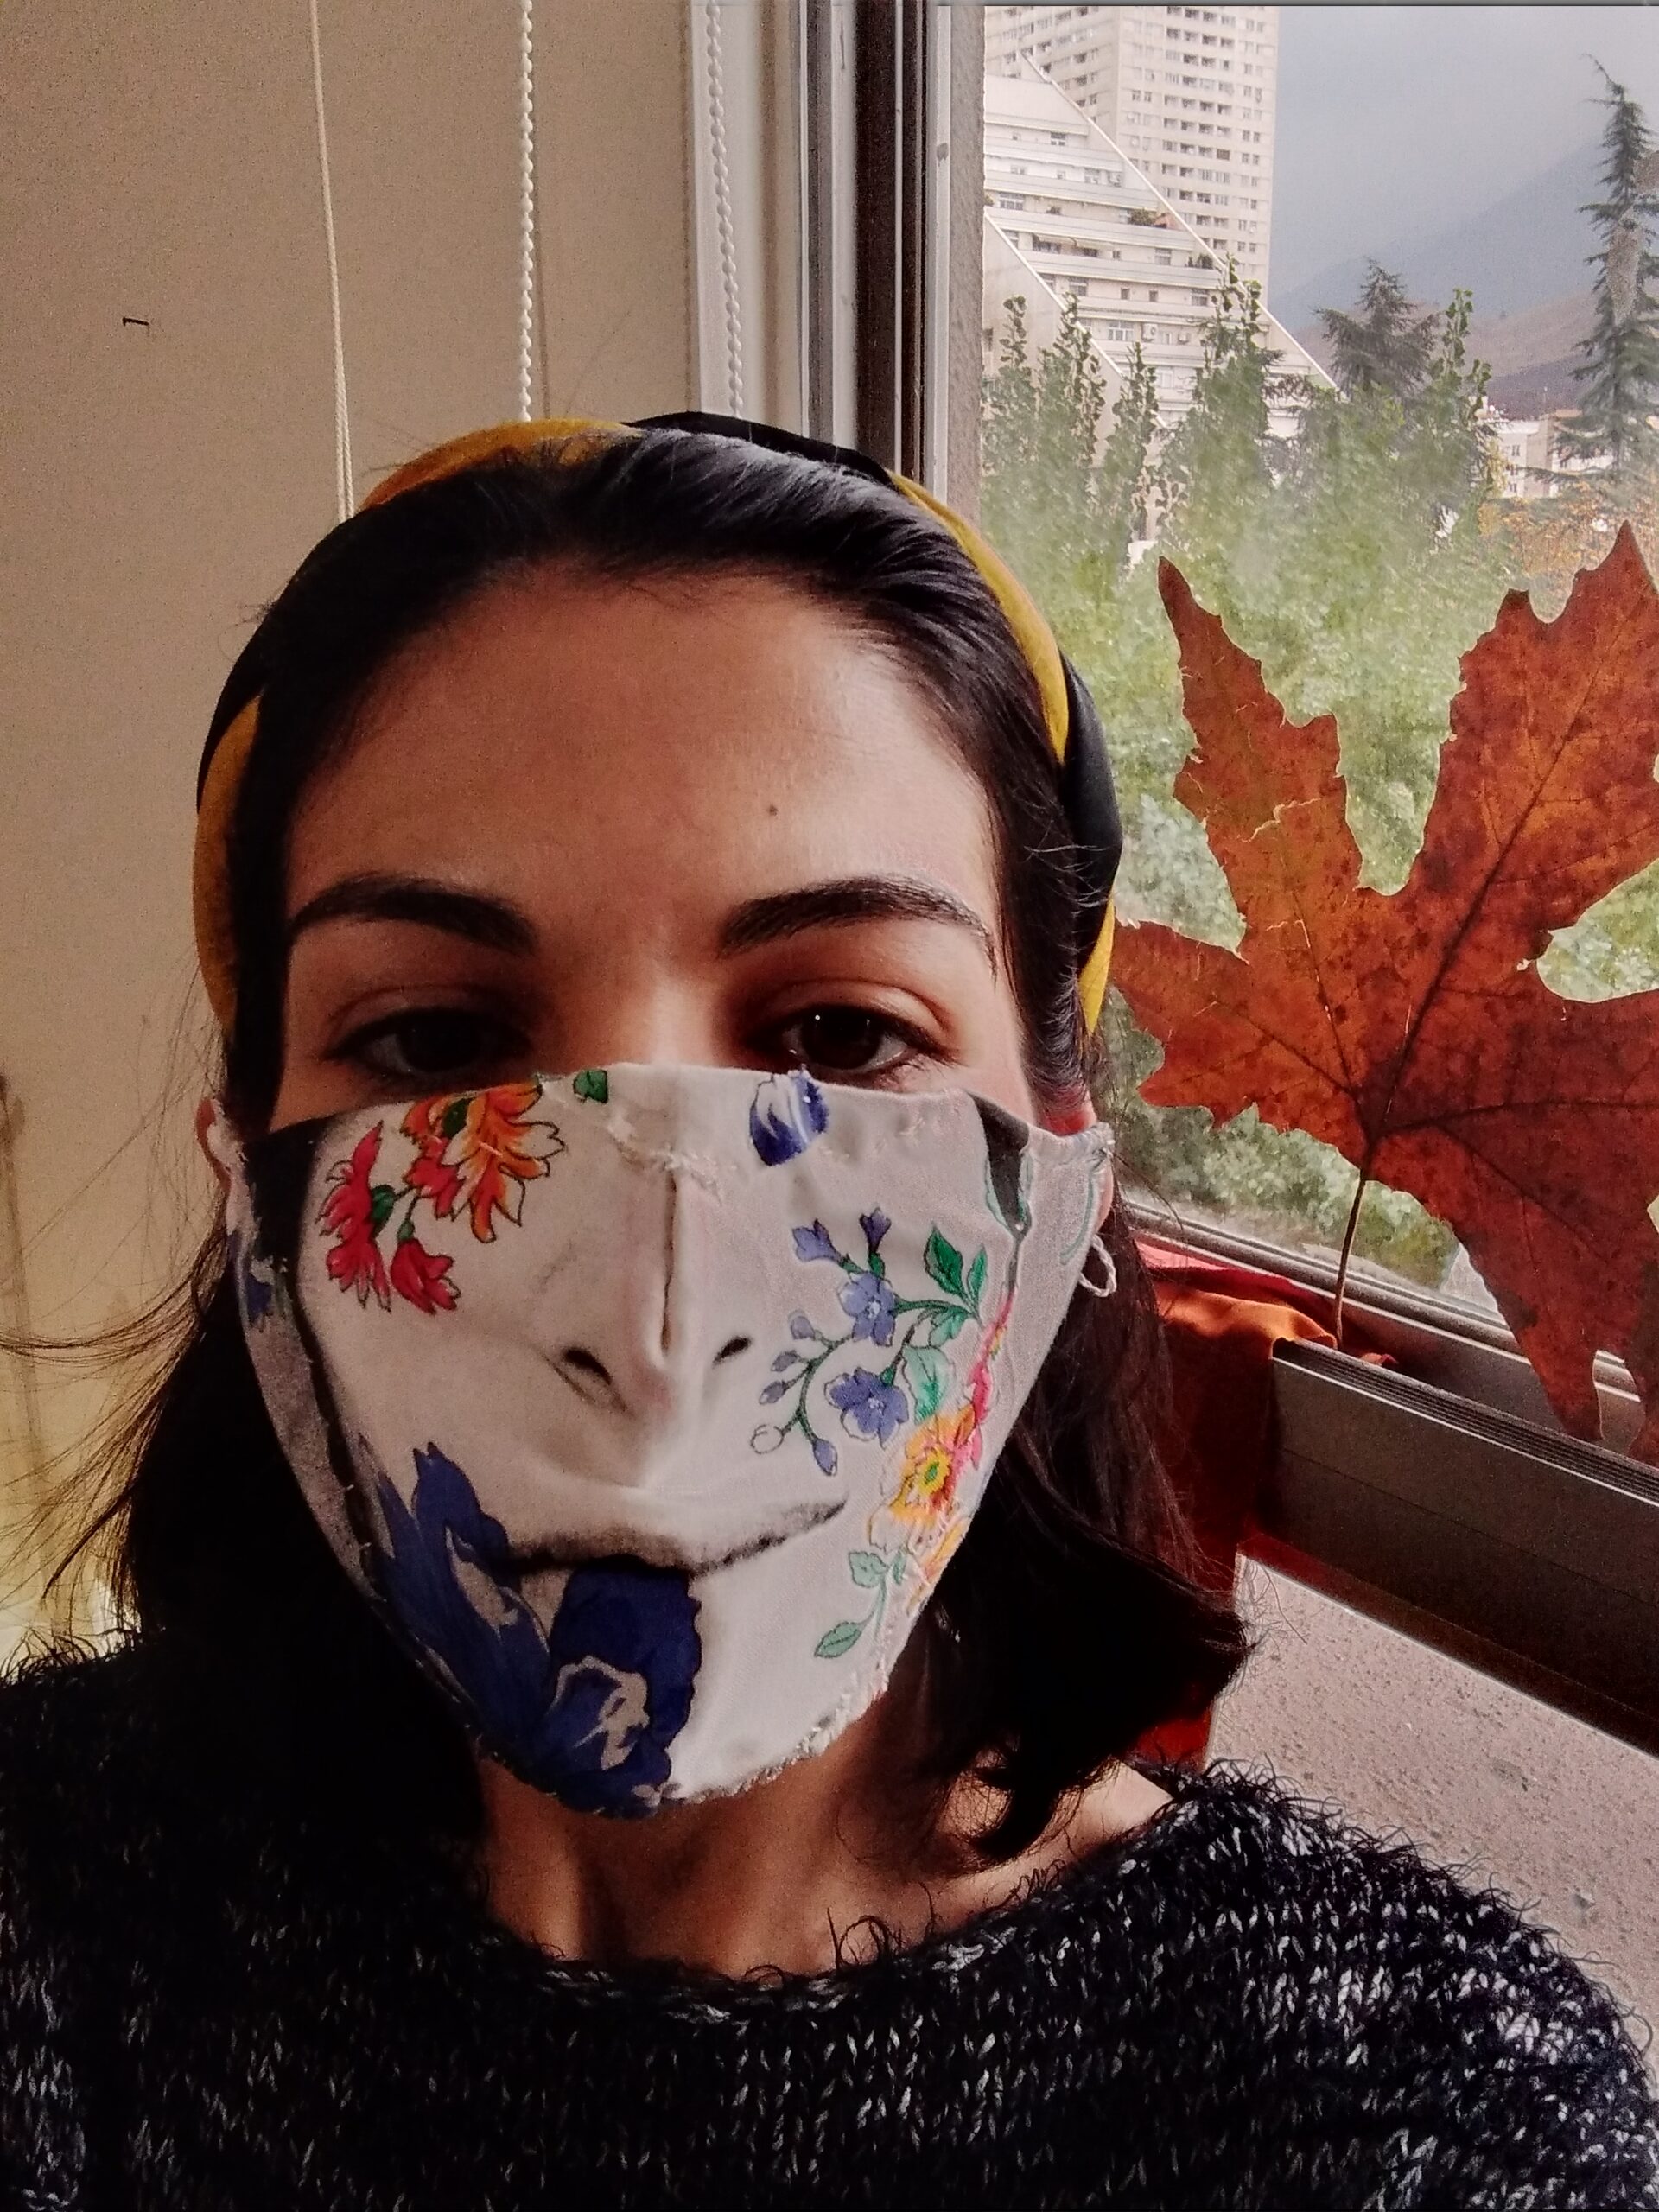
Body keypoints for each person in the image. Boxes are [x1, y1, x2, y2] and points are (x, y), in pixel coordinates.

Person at [2, 415, 1654, 2212]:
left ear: (1056, 1181)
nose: (649, 1313)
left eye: (844, 1035)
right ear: (248, 1179)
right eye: (434, 1039)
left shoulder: (1410, 2088)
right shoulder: (50, 1898)